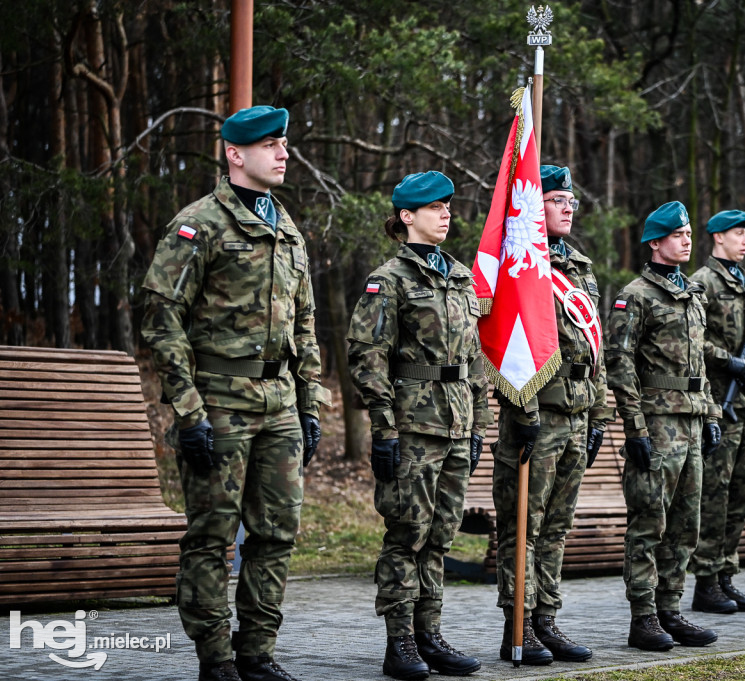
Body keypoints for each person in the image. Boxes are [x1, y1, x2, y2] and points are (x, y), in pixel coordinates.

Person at [141, 105, 331, 681]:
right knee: (212, 535)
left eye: (285, 143)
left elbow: (305, 323)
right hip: (219, 403)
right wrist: (188, 407)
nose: (283, 152)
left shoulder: (286, 225)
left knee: (277, 533)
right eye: (271, 144)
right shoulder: (199, 223)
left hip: (279, 405)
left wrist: (309, 401)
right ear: (234, 153)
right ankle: (216, 657)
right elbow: (162, 316)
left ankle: (257, 652)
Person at [347, 171, 490, 680]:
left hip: (456, 424)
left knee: (441, 536)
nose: (446, 213)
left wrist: (478, 426)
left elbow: (475, 358)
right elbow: (367, 356)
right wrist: (384, 430)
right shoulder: (390, 279)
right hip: (413, 426)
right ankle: (400, 641)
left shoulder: (459, 276)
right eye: (434, 207)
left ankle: (429, 633)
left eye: (449, 206)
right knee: (407, 534)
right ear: (407, 216)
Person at [491, 165, 613, 665]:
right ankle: (517, 624)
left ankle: (547, 620)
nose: (567, 208)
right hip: (538, 417)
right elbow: (505, 348)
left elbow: (594, 349)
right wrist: (522, 410)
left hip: (578, 415)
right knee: (524, 525)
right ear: (532, 205)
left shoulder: (579, 266)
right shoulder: (520, 264)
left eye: (571, 201)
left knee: (557, 527)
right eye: (557, 199)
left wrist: (600, 415)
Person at [605, 202, 722, 651]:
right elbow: (620, 363)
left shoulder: (693, 293)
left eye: (689, 233)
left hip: (692, 421)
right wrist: (635, 429)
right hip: (657, 422)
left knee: (685, 525)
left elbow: (699, 365)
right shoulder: (635, 295)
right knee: (649, 522)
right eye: (677, 234)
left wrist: (711, 415)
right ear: (655, 243)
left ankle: (671, 610)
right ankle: (644, 617)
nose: (687, 240)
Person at [689, 210, 745, 614]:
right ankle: (706, 580)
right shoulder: (702, 283)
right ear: (718, 237)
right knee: (715, 494)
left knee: (742, 492)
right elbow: (694, 339)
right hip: (719, 400)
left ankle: (725, 576)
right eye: (740, 233)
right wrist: (726, 360)